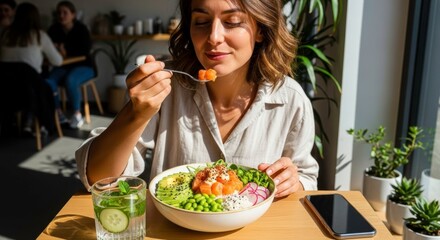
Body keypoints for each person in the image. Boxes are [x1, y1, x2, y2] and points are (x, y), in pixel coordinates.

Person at [76, 0, 319, 198]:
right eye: (201, 21)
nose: (213, 36)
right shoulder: (167, 90)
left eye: (232, 21)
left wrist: (293, 182)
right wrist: (136, 112)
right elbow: (99, 179)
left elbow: (307, 179)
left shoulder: (291, 100)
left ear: (261, 30)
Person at [0, 2, 63, 134]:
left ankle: (23, 121)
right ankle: (39, 123)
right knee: (44, 84)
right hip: (29, 93)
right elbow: (58, 61)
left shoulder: (6, 34)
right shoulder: (39, 35)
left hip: (6, 91)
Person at [46, 0, 94, 129]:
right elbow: (49, 49)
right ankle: (58, 114)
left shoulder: (81, 29)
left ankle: (77, 114)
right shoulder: (53, 29)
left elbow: (84, 51)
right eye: (59, 13)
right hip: (63, 66)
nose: (61, 15)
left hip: (85, 66)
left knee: (71, 80)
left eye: (65, 12)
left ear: (73, 14)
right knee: (49, 81)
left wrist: (64, 49)